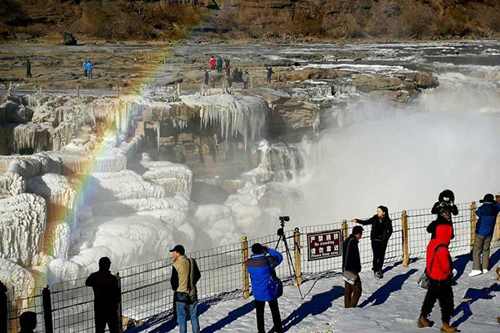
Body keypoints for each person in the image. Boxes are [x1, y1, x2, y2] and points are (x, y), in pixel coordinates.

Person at [418, 224, 457, 332]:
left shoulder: (432, 243)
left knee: (430, 298)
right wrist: (449, 274)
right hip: (442, 279)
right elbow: (446, 267)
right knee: (446, 302)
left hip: (432, 277)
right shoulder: (443, 249)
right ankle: (445, 324)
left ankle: (423, 317)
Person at [245, 243, 284, 333]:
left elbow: (256, 262)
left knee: (259, 313)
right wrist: (268, 249)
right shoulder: (268, 261)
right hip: (270, 290)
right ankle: (278, 329)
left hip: (258, 291)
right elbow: (279, 257)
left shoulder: (248, 263)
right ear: (262, 250)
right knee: (275, 311)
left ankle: (261, 331)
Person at [352, 205, 393, 279]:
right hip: (374, 240)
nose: (377, 212)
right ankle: (375, 269)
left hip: (383, 241)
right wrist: (357, 221)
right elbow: (366, 222)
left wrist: (385, 238)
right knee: (376, 255)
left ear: (384, 212)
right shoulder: (374, 218)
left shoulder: (387, 220)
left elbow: (390, 231)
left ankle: (379, 269)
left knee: (381, 255)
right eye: (377, 211)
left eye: (379, 211)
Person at [170, 245, 201, 333]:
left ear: (178, 253)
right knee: (194, 315)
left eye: (174, 252)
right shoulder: (192, 261)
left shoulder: (176, 265)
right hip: (193, 293)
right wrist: (191, 284)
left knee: (182, 317)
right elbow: (198, 275)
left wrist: (178, 287)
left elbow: (174, 283)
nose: (173, 254)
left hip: (181, 294)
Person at [85, 257, 120, 333]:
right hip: (111, 308)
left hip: (99, 308)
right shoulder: (112, 279)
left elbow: (87, 283)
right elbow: (117, 294)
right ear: (108, 266)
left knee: (99, 329)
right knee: (114, 329)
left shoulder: (94, 276)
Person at [469, 194, 500, 277]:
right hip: (489, 233)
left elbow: (477, 212)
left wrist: (483, 204)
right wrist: (495, 202)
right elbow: (498, 205)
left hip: (480, 232)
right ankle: (485, 268)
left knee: (477, 250)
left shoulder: (483, 209)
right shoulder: (495, 208)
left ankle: (476, 269)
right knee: (486, 249)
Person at [343, 226, 363, 308]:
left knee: (348, 291)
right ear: (358, 234)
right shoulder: (353, 242)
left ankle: (347, 308)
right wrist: (357, 268)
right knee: (358, 290)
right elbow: (355, 257)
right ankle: (351, 309)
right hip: (352, 269)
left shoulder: (347, 241)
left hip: (346, 269)